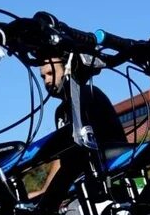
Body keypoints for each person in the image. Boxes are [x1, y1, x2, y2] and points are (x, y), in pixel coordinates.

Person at [27, 56, 127, 201]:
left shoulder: (87, 95)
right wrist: (46, 191)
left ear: (68, 71)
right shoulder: (61, 111)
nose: (47, 81)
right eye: (43, 77)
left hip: (109, 178)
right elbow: (64, 157)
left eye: (51, 73)